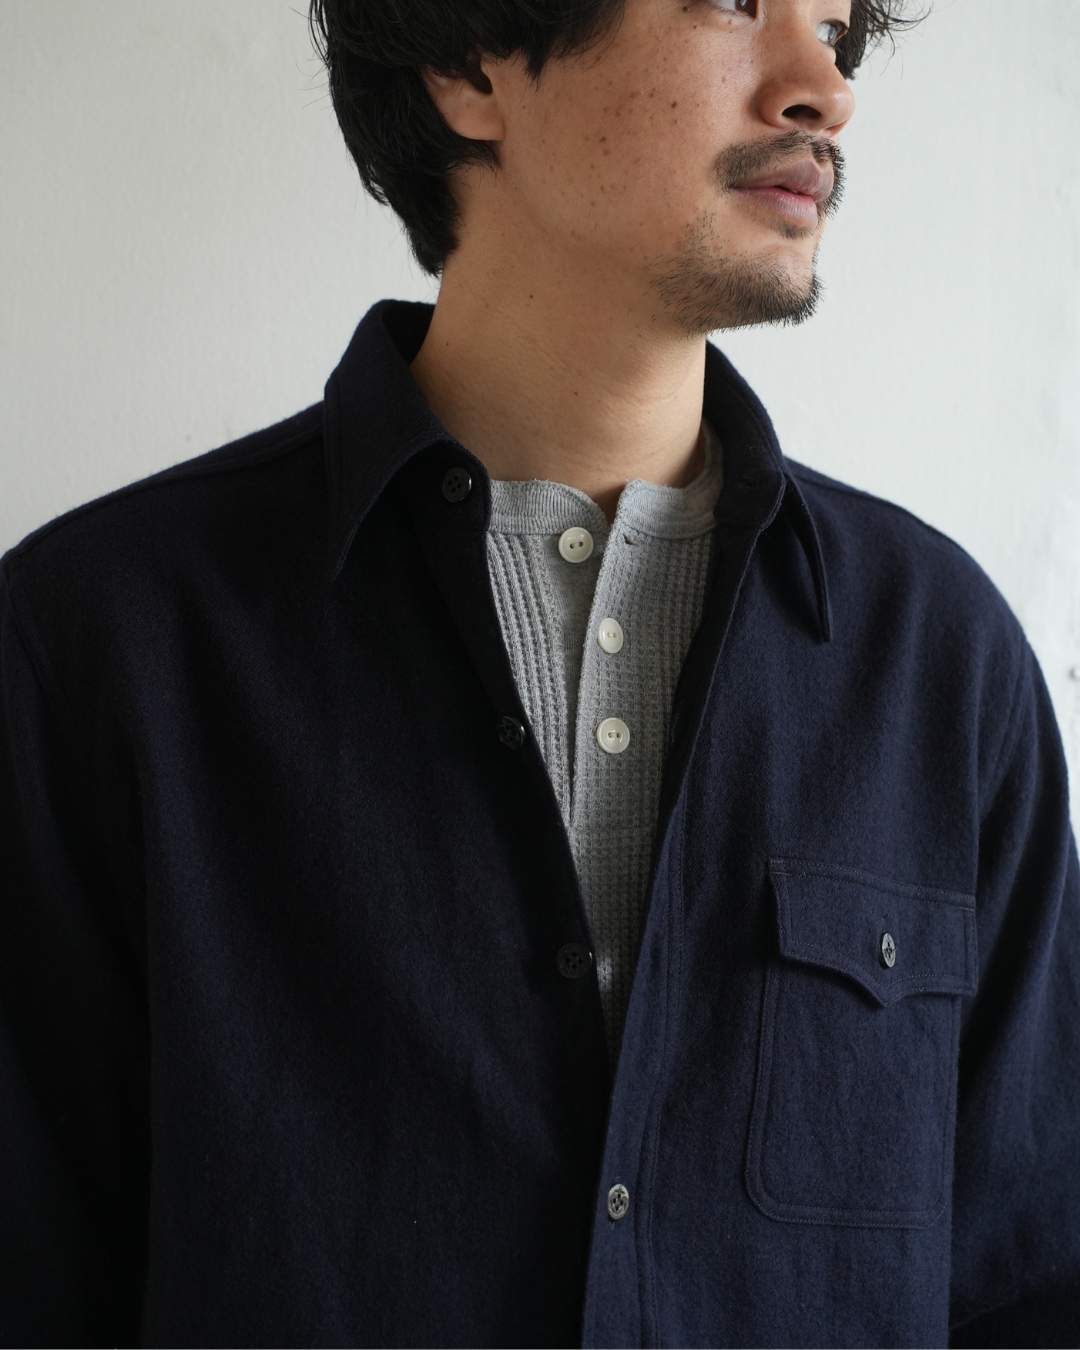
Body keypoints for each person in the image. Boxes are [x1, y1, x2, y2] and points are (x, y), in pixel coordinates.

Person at [2, 0, 1078, 1344]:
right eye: (735, 4)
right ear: (468, 63)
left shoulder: (942, 665)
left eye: (838, 27)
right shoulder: (100, 647)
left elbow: (1028, 1283)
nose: (825, 90)